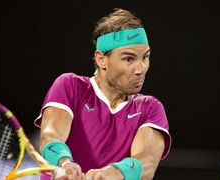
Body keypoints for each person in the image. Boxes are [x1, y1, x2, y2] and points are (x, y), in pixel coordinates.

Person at [34, 8, 171, 180]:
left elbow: (147, 162)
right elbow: (50, 136)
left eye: (145, 57)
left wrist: (113, 173)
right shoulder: (70, 86)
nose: (140, 69)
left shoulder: (150, 108)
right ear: (101, 59)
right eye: (129, 59)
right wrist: (65, 163)